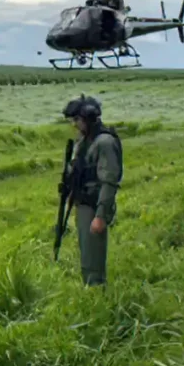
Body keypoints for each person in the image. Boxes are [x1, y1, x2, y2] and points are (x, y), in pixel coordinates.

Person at [63, 94, 123, 286]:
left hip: (94, 204)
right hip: (83, 203)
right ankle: (90, 289)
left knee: (93, 257)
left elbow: (109, 181)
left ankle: (97, 294)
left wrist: (100, 215)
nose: (74, 124)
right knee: (86, 253)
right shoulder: (85, 141)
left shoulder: (104, 142)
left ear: (88, 118)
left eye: (77, 120)